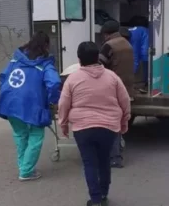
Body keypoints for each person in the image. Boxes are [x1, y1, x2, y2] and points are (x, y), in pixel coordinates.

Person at [58, 41, 131, 206]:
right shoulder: (112, 77)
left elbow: (63, 104)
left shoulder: (73, 79)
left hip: (83, 128)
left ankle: (96, 199)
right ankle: (104, 194)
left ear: (79, 59)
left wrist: (63, 124)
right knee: (104, 160)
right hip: (108, 127)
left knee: (89, 163)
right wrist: (124, 120)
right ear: (97, 57)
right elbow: (125, 100)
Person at [0, 31, 61, 181]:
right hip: (33, 104)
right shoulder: (44, 64)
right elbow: (54, 83)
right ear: (46, 46)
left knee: (20, 134)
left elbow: (3, 77)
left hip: (10, 102)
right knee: (36, 135)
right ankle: (26, 171)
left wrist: (8, 94)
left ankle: (24, 166)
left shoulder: (15, 60)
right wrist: (54, 100)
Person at [99, 21, 134, 168]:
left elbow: (99, 67)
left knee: (109, 124)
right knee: (117, 122)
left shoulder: (109, 46)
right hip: (126, 88)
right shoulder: (127, 44)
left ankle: (114, 157)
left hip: (112, 89)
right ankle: (117, 150)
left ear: (106, 34)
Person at [129, 20, 149, 92]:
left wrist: (133, 71)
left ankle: (145, 85)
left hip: (145, 50)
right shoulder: (139, 31)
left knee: (145, 66)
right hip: (147, 49)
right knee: (147, 68)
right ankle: (146, 85)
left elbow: (135, 55)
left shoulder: (131, 34)